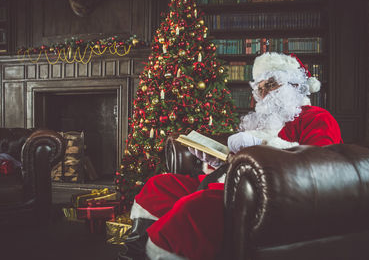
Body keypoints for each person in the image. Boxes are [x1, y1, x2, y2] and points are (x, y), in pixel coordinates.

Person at [117, 52, 342, 260]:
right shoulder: (263, 122)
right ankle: (135, 248)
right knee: (160, 185)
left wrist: (261, 142)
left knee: (194, 207)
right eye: (260, 88)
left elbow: (320, 166)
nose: (264, 94)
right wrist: (218, 160)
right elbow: (242, 161)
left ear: (293, 85)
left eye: (271, 85)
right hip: (230, 181)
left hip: (264, 195)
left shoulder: (317, 117)